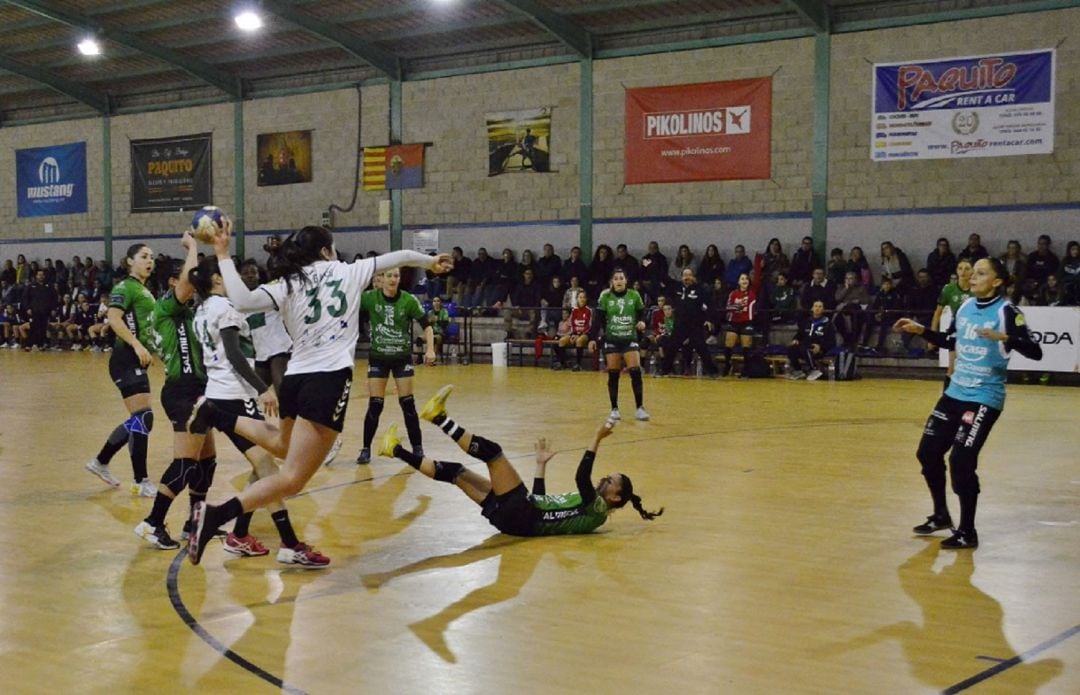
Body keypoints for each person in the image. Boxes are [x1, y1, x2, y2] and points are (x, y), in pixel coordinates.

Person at [186, 223, 451, 566]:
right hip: (327, 380)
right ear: (326, 251)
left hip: (295, 377)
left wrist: (223, 254)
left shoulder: (288, 282)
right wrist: (429, 262)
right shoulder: (348, 271)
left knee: (283, 447)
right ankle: (215, 515)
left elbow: (242, 299)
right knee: (293, 479)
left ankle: (217, 414)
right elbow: (398, 257)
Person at [894, 258, 1042, 549]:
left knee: (961, 461)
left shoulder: (1008, 312)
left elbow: (1035, 352)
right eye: (972, 272)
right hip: (955, 392)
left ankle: (967, 531)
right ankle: (940, 514)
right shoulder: (964, 307)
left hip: (984, 398)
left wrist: (1007, 337)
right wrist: (921, 330)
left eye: (981, 273)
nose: (973, 277)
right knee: (927, 454)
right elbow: (952, 341)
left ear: (997, 281)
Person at [188, 254, 327, 565]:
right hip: (233, 397)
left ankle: (241, 535)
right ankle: (289, 542)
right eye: (229, 274)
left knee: (262, 465)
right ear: (217, 281)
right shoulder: (225, 308)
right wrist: (262, 388)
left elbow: (208, 357)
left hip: (219, 390)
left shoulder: (201, 311)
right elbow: (236, 355)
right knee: (272, 464)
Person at [379, 385, 662, 536]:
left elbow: (581, 477)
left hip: (523, 517)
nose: (604, 479)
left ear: (616, 497)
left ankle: (438, 417)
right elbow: (541, 503)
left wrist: (597, 438)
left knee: (493, 453)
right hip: (515, 520)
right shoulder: (584, 509)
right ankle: (395, 449)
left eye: (610, 481)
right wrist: (540, 465)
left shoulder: (598, 509)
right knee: (456, 473)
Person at [84, 243, 158, 497]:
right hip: (125, 358)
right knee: (143, 417)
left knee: (141, 418)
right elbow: (114, 318)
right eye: (144, 257)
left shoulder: (143, 290)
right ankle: (141, 481)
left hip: (136, 359)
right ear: (130, 261)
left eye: (152, 258)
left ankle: (101, 462)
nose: (150, 261)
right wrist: (137, 345)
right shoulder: (125, 287)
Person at [355, 267, 436, 465]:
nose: (393, 279)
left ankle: (418, 447)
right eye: (389, 276)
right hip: (378, 357)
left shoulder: (408, 300)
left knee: (407, 403)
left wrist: (430, 349)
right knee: (375, 404)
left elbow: (427, 325)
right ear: (380, 279)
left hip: (401, 358)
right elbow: (347, 309)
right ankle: (365, 449)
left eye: (396, 276)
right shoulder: (370, 298)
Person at [589, 269, 649, 421]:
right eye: (616, 278)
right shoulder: (606, 297)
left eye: (621, 278)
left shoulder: (634, 295)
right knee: (614, 373)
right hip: (612, 339)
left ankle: (640, 408)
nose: (619, 281)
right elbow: (597, 320)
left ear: (626, 281)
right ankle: (614, 409)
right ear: (612, 282)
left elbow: (642, 312)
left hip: (630, 338)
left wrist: (642, 322)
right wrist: (593, 338)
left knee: (635, 371)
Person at [930, 259, 973, 375]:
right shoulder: (949, 289)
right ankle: (947, 393)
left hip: (973, 332)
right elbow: (937, 313)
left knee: (972, 368)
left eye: (967, 269)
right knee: (952, 368)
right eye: (960, 268)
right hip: (956, 330)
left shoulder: (977, 289)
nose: (963, 272)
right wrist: (932, 336)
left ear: (973, 271)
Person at [786, 300, 834, 381]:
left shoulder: (828, 324)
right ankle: (798, 370)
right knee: (791, 348)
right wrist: (795, 339)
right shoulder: (807, 322)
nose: (817, 308)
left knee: (806, 348)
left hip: (818, 349)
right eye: (815, 306)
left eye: (820, 306)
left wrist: (821, 346)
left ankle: (814, 369)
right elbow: (800, 334)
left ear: (823, 309)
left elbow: (831, 340)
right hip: (805, 345)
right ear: (812, 308)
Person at [722, 272, 756, 376]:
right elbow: (728, 307)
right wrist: (736, 307)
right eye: (742, 279)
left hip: (747, 322)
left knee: (746, 346)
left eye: (746, 278)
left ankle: (747, 369)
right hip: (734, 321)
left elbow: (752, 306)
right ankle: (727, 365)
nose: (744, 280)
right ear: (738, 281)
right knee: (729, 342)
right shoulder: (733, 293)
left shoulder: (752, 293)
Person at [552, 291, 591, 371]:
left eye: (584, 297)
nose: (582, 299)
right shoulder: (574, 311)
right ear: (577, 299)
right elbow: (572, 324)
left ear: (586, 299)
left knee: (579, 341)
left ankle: (578, 364)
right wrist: (573, 334)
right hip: (574, 333)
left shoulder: (589, 311)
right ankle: (562, 363)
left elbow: (588, 325)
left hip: (585, 334)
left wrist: (579, 334)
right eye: (580, 297)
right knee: (562, 341)